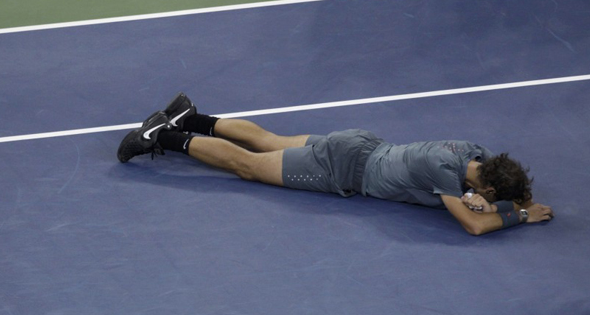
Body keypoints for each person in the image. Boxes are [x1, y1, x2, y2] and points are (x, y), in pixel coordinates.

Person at [117, 93, 554, 235]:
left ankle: (191, 116)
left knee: (271, 140)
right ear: (490, 188)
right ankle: (165, 136)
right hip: (342, 172)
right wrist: (518, 215)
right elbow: (473, 225)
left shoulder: (470, 151)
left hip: (360, 143)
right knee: (249, 166)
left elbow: (492, 196)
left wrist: (507, 199)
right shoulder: (445, 174)